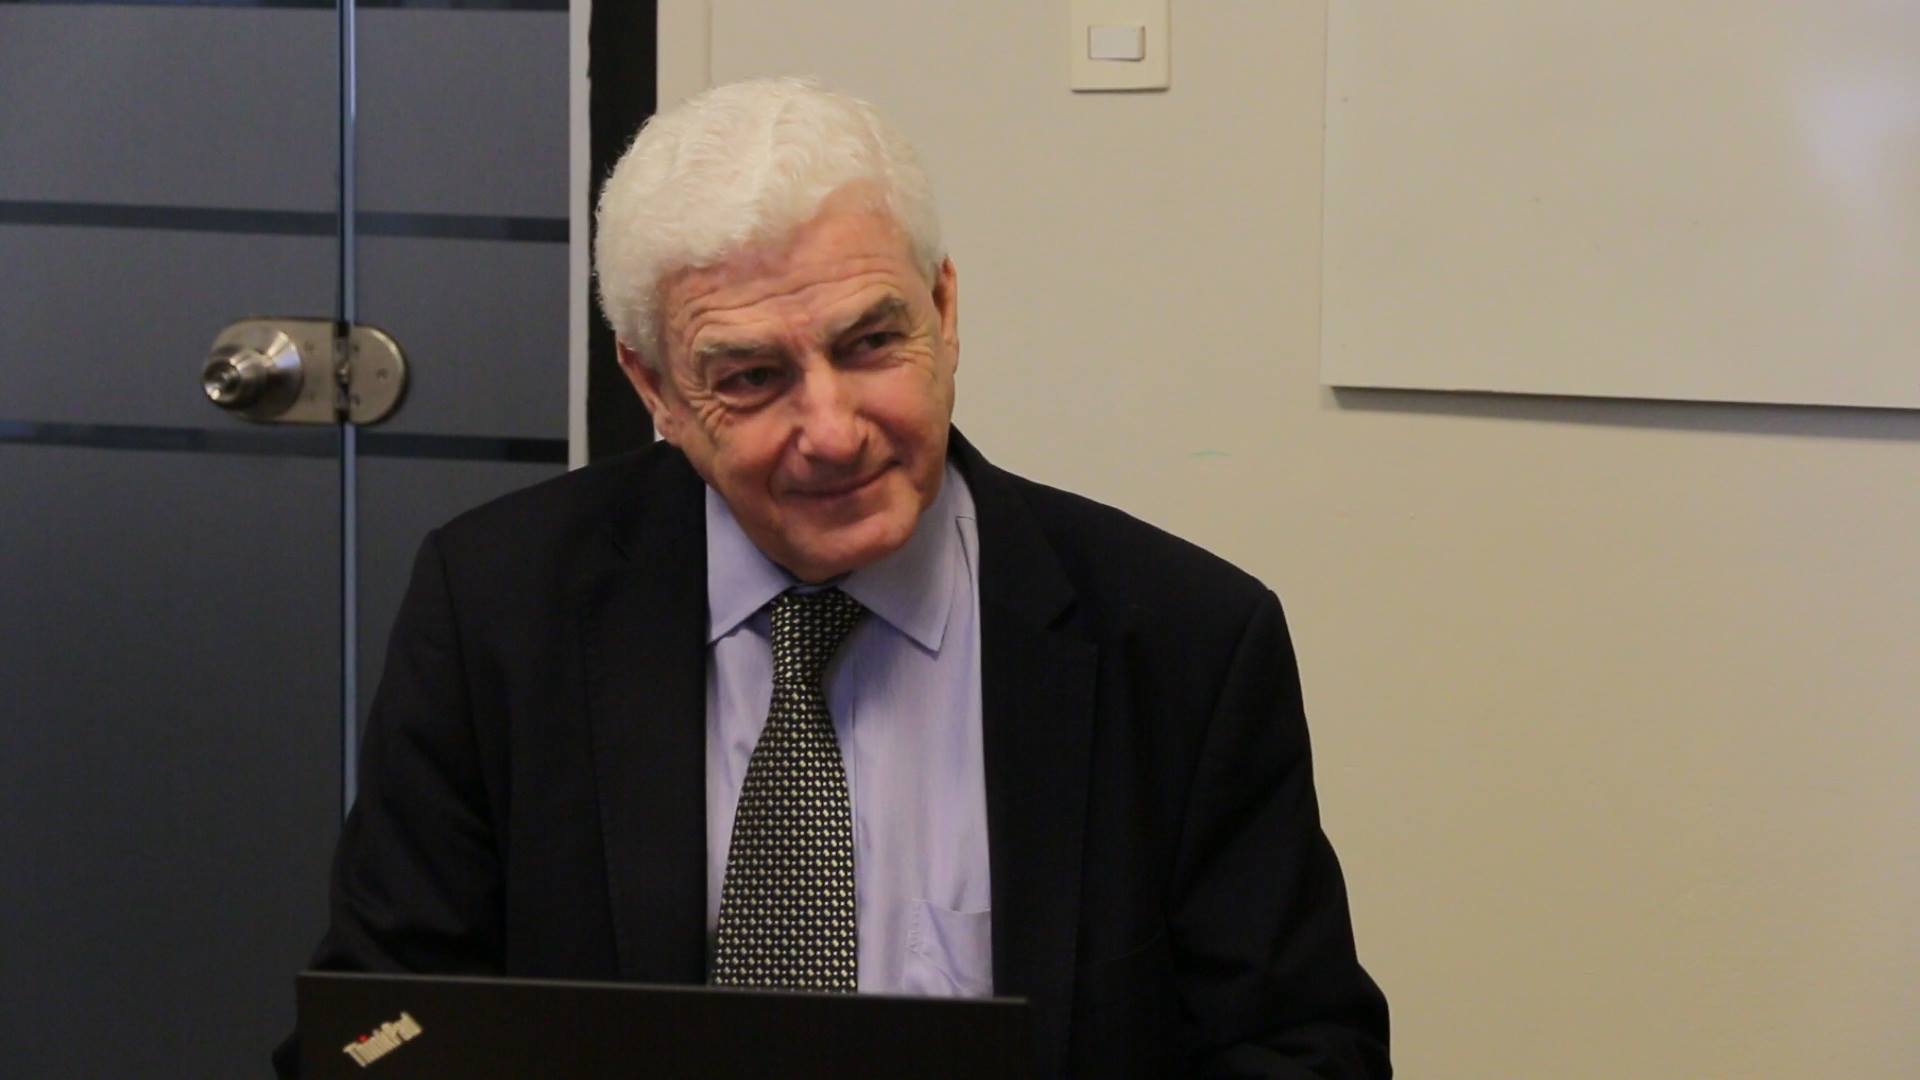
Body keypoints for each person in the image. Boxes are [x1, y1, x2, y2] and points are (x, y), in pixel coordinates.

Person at [281, 77, 1389, 1077]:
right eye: (752, 377)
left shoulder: (1183, 641)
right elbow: (381, 1027)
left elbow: (1306, 1051)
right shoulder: (499, 609)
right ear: (653, 387)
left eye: (869, 345)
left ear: (944, 313)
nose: (833, 430)